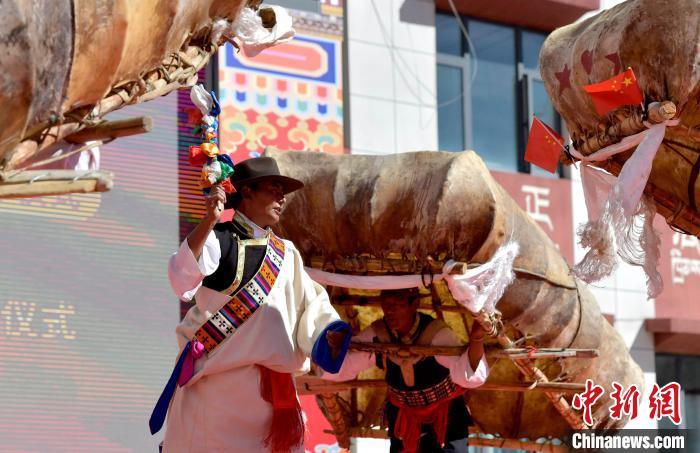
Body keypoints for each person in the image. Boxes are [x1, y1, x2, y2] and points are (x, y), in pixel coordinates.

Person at [150, 156, 351, 453]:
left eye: (283, 192)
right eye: (273, 189)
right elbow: (182, 276)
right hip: (217, 395)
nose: (282, 198)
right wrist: (209, 220)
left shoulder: (287, 253)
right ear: (247, 191)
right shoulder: (217, 240)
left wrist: (328, 331)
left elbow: (312, 304)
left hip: (273, 398)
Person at [323, 288, 488, 453]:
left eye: (397, 303)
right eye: (385, 303)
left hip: (446, 416)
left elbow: (469, 375)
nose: (390, 309)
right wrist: (337, 348)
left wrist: (476, 338)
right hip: (403, 417)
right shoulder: (378, 335)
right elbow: (342, 367)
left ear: (414, 304)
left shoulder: (436, 334)